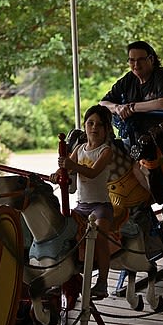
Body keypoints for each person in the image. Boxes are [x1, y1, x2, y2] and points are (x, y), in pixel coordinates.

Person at [50, 104, 115, 299]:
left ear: (106, 129)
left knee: (101, 237)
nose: (94, 128)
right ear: (85, 126)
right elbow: (67, 171)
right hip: (82, 206)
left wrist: (71, 165)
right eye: (90, 123)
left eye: (99, 125)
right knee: (62, 234)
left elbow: (94, 172)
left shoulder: (106, 151)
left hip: (101, 206)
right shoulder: (79, 148)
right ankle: (64, 276)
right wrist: (58, 174)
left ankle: (102, 282)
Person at [100, 40, 163, 146]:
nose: (136, 65)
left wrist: (131, 108)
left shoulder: (161, 74)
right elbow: (103, 103)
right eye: (132, 60)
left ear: (151, 59)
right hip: (139, 139)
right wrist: (118, 108)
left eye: (141, 60)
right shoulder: (129, 78)